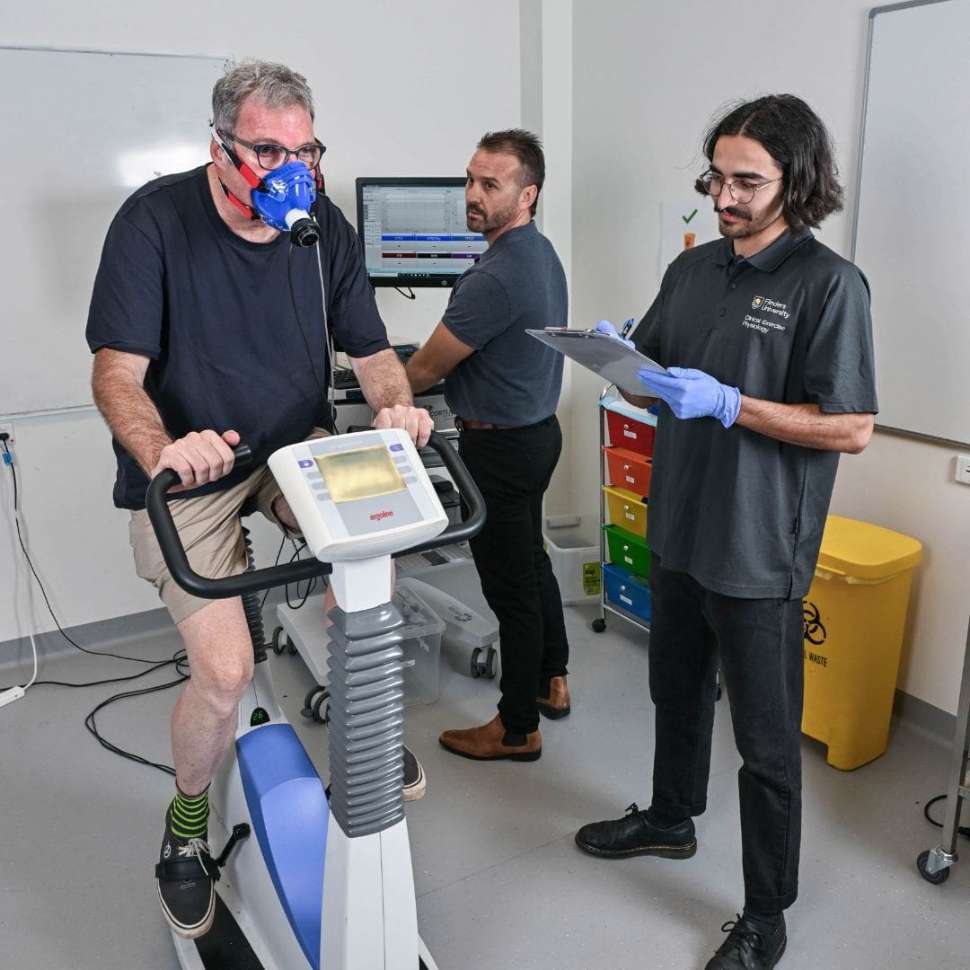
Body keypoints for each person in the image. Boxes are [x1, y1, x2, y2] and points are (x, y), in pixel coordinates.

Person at [85, 59, 434, 941]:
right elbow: (115, 374)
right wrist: (167, 448)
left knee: (373, 549)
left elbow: (370, 347)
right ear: (222, 147)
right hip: (190, 468)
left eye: (306, 148)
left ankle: (365, 726)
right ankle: (188, 827)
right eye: (270, 150)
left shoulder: (322, 226)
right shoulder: (154, 221)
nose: (292, 170)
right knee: (227, 673)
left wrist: (394, 402)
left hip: (290, 449)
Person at [575, 95, 877, 970]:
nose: (724, 195)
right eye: (717, 175)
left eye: (748, 180)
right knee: (675, 692)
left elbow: (851, 425)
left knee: (768, 747)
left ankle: (765, 915)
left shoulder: (829, 285)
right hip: (679, 527)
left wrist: (732, 404)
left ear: (798, 181)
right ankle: (671, 820)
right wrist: (615, 360)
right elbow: (651, 383)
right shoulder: (696, 271)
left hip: (757, 551)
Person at [405, 129, 571, 762]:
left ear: (526, 195)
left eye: (489, 185)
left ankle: (516, 724)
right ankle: (553, 679)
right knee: (530, 560)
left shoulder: (494, 278)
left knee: (509, 586)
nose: (471, 195)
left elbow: (423, 373)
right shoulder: (538, 252)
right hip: (536, 436)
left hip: (500, 450)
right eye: (469, 181)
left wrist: (380, 378)